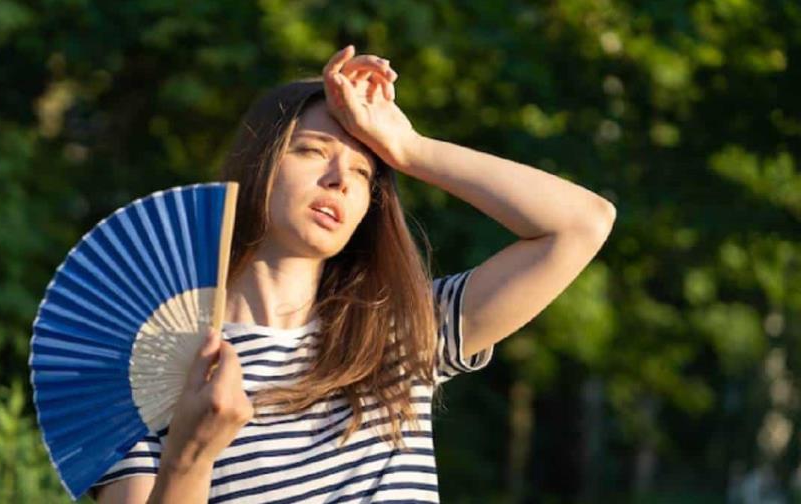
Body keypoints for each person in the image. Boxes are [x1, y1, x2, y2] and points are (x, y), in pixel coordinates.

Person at [89, 45, 616, 503]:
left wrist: (409, 149)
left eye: (364, 172)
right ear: (257, 165)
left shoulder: (404, 329)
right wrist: (189, 456)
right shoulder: (155, 363)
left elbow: (582, 224)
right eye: (312, 151)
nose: (341, 178)